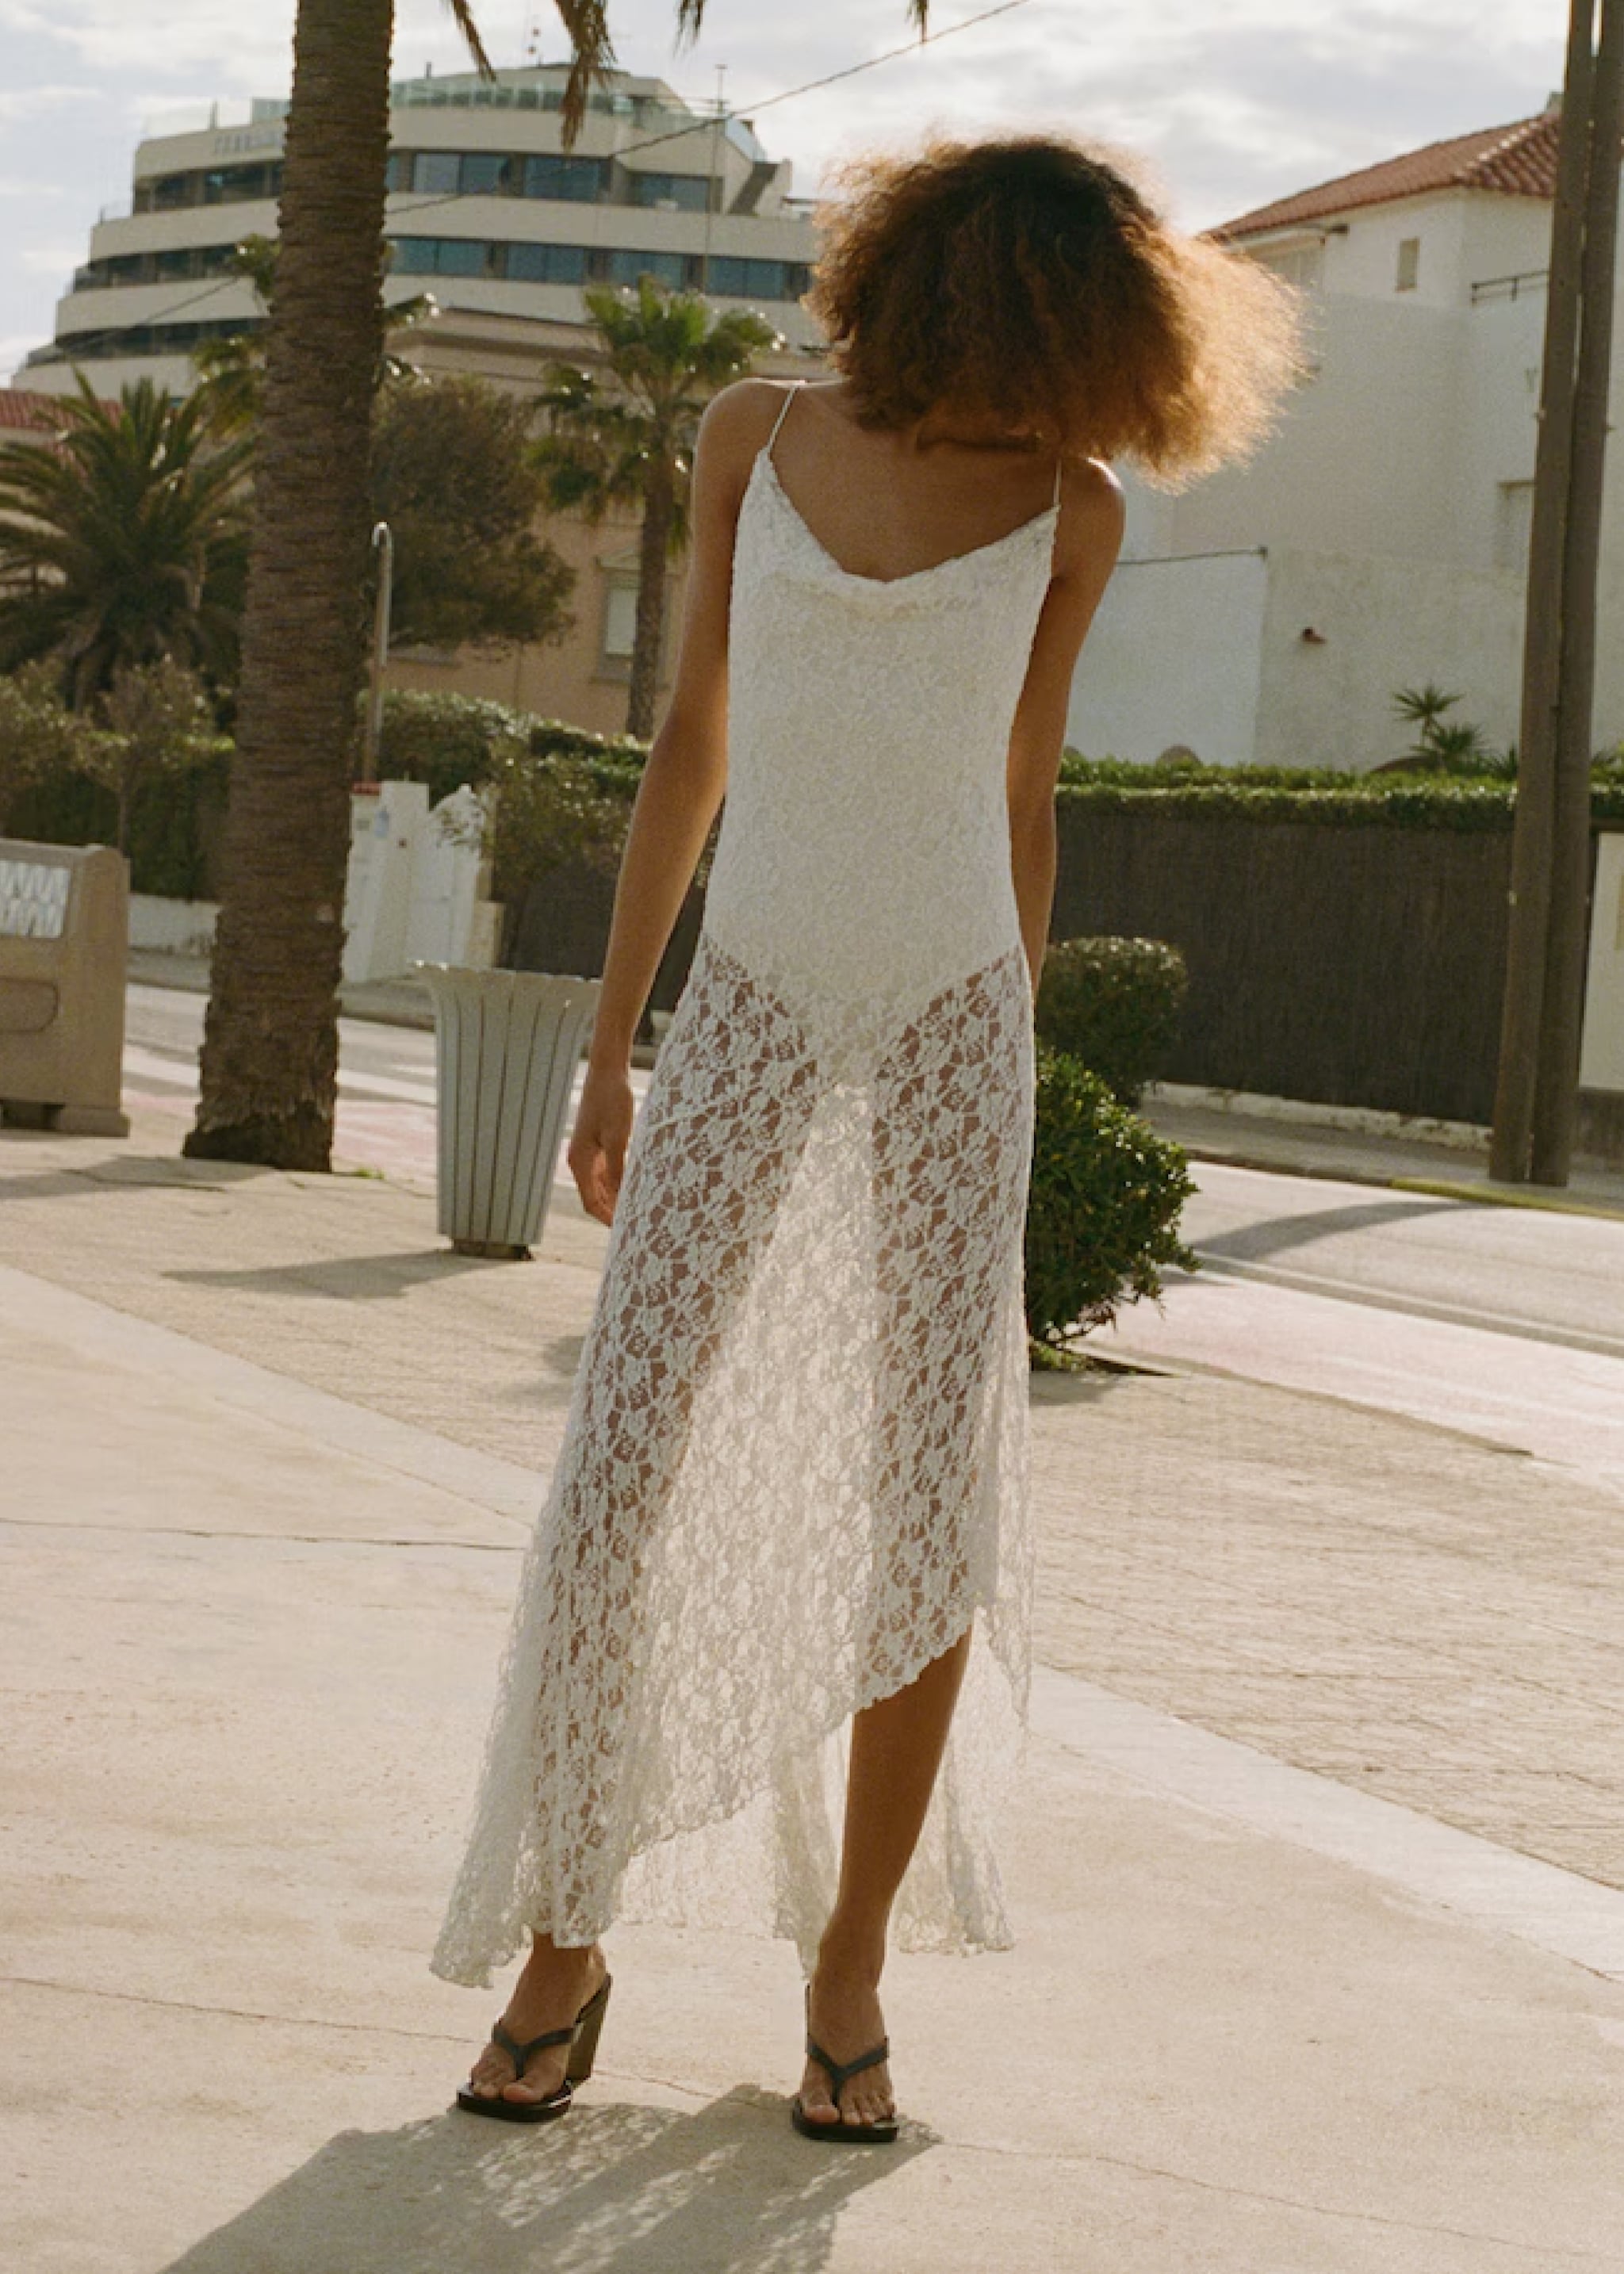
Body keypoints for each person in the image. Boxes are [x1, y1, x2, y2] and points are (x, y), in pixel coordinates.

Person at [431, 130, 1301, 2141]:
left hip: (949, 1027)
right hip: (744, 1003)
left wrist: (1011, 1058)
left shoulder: (1074, 512)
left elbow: (1023, 796)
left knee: (932, 1511)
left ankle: (850, 1972)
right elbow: (692, 736)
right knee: (615, 1478)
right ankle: (569, 1939)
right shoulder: (751, 433)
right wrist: (611, 1043)